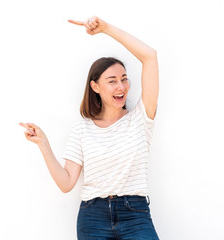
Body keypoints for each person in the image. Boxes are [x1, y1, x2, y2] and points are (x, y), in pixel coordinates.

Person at [20, 16, 159, 240]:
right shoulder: (82, 130)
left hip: (135, 214)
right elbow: (66, 183)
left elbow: (150, 56)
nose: (121, 86)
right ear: (95, 86)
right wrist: (43, 144)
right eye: (112, 80)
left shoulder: (140, 119)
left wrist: (106, 28)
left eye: (124, 79)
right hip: (93, 217)